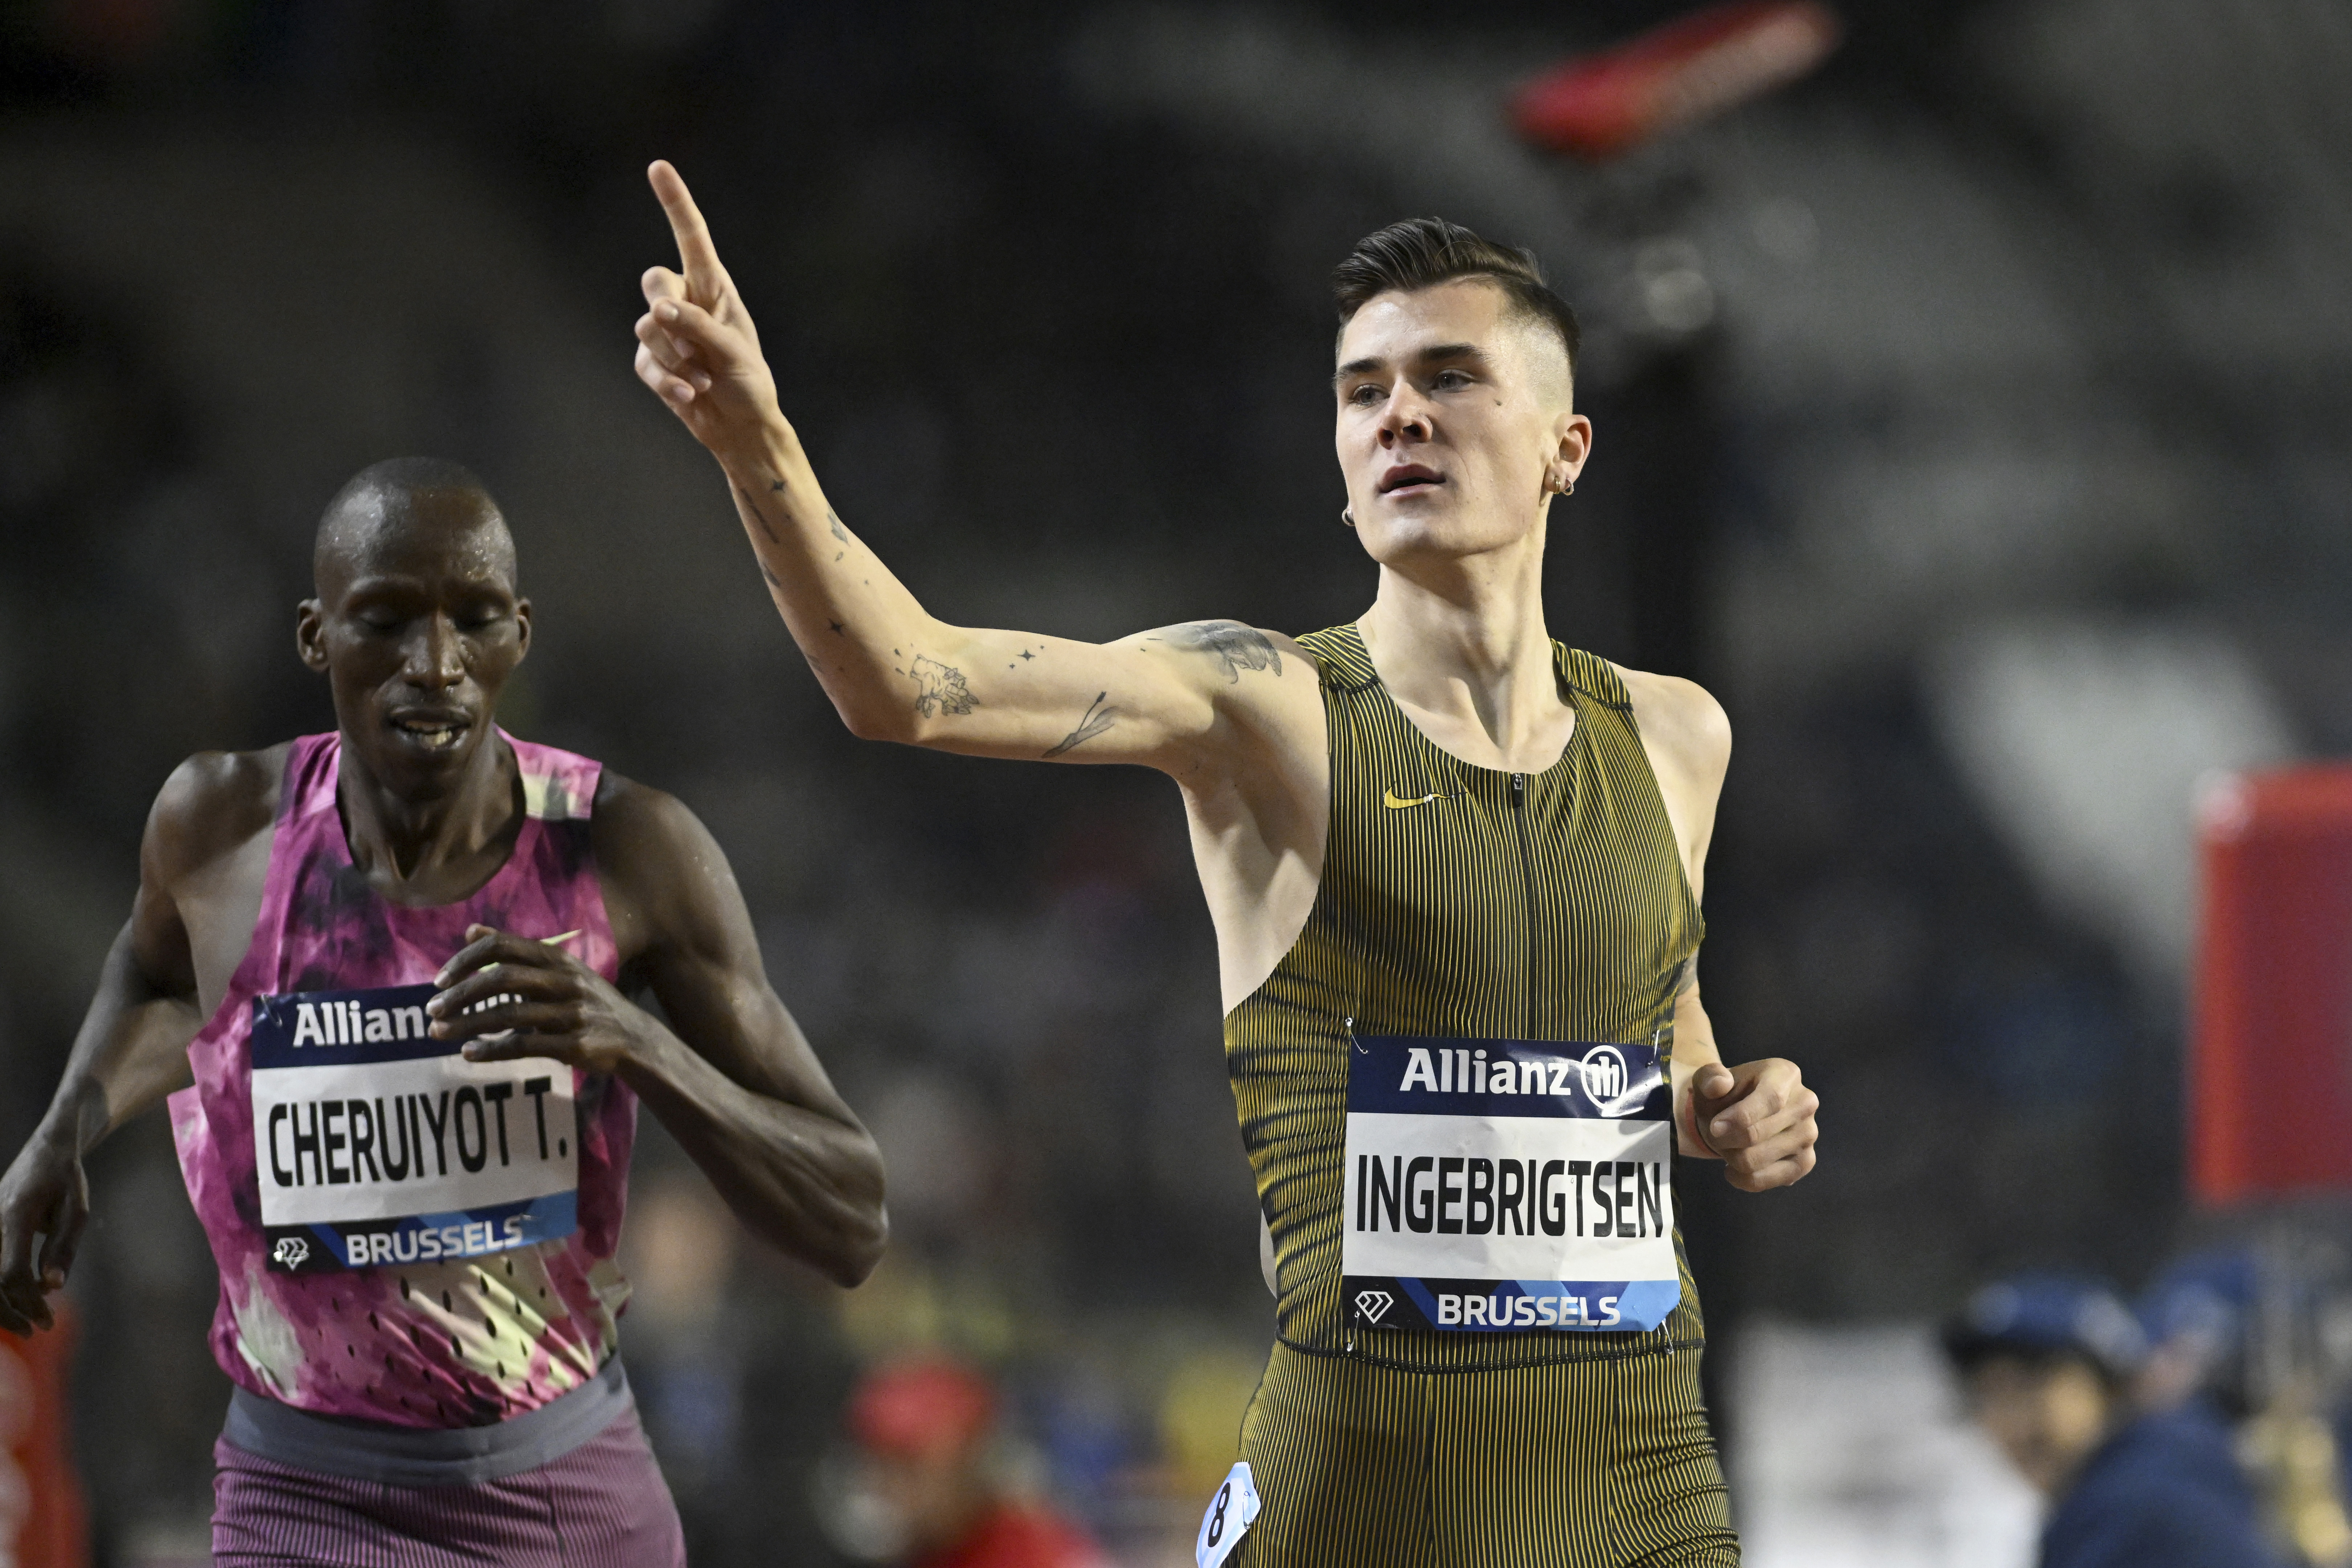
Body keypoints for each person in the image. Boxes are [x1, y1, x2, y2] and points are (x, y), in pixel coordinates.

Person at [628, 161, 1821, 1566]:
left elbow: (1653, 1032)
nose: (1400, 417)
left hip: (1640, 1493)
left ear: (1567, 444)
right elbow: (914, 683)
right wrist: (757, 442)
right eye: (1362, 389)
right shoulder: (1263, 709)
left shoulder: (1677, 736)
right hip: (1363, 1505)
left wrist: (1736, 1106)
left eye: (1448, 377)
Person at [0, 459, 888, 1564]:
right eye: (386, 621)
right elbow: (161, 982)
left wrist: (638, 1040)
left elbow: (852, 1217)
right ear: (316, 636)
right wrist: (63, 1127)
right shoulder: (219, 826)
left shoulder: (626, 849)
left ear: (519, 635)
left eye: (474, 621)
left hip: (558, 1498)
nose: (435, 665)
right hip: (298, 1498)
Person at [1945, 1271, 2284, 1568]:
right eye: (1988, 1396)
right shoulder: (2172, 1463)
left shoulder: (2133, 1511)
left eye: (2029, 1387)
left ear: (2111, 1385)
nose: (2013, 1425)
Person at [835, 1357, 1107, 1568]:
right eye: (879, 1466)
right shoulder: (912, 1553)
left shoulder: (1044, 1554)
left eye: (909, 1467)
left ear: (970, 1460)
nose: (889, 1487)